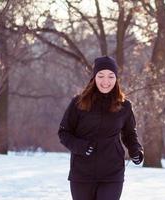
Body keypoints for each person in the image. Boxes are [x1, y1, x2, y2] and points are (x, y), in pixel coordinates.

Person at [58, 55, 144, 200]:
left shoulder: (124, 106)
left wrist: (136, 150)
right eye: (101, 76)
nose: (106, 81)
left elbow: (129, 133)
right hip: (82, 173)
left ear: (116, 79)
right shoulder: (78, 103)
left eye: (111, 76)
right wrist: (81, 147)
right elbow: (64, 132)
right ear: (94, 78)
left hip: (112, 172)